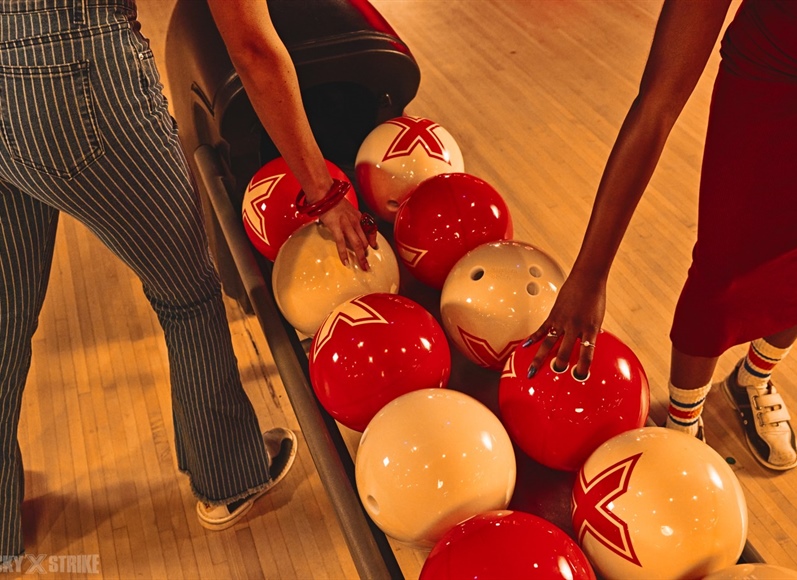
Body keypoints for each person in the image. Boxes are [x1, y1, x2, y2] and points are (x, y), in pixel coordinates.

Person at [0, 0, 376, 561]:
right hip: (82, 77)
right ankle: (232, 477)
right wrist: (323, 192)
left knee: (5, 317)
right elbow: (251, 49)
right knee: (189, 296)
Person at [523, 0, 797, 470]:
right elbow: (656, 107)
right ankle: (683, 419)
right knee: (723, 270)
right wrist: (590, 275)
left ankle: (752, 378)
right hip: (769, 83)